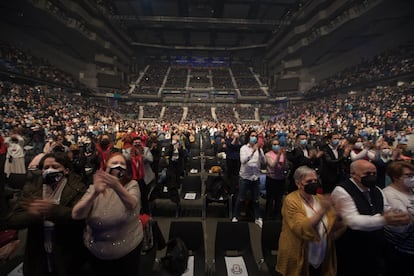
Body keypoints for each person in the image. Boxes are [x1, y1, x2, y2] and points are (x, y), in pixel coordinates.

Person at [3, 152, 88, 276]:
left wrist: (53, 210)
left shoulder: (77, 189)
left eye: (55, 167)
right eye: (46, 168)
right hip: (38, 252)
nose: (50, 170)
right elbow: (11, 219)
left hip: (67, 251)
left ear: (66, 170)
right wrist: (31, 215)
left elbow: (81, 219)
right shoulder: (31, 189)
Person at [331, 159, 411, 276]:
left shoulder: (377, 190)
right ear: (353, 174)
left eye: (374, 174)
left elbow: (386, 209)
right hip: (352, 247)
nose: (372, 177)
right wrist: (383, 220)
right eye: (367, 174)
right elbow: (352, 220)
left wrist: (398, 218)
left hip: (374, 246)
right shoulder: (341, 191)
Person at [72, 152, 143, 276]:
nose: (118, 166)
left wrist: (116, 186)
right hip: (97, 251)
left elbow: (132, 204)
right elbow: (77, 214)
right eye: (114, 163)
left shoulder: (131, 185)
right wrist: (95, 193)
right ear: (105, 168)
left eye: (122, 164)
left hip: (127, 249)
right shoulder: (94, 187)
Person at [276, 166, 345, 276]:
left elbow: (332, 229)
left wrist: (339, 216)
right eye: (309, 181)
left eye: (315, 180)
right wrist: (322, 210)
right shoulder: (291, 200)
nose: (314, 183)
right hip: (299, 254)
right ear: (298, 183)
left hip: (320, 254)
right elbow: (300, 228)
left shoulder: (320, 198)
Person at [382, 161, 414, 276]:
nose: (412, 178)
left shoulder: (411, 189)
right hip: (402, 249)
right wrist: (409, 216)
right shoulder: (389, 194)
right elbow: (402, 224)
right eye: (408, 175)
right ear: (396, 177)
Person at [232, 130, 266, 228]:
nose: (254, 138)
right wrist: (253, 152)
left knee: (256, 200)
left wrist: (259, 150)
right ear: (248, 137)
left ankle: (257, 217)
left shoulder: (259, 149)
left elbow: (263, 161)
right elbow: (243, 161)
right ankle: (235, 216)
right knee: (241, 198)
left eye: (255, 136)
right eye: (252, 136)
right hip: (245, 177)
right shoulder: (244, 148)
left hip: (255, 177)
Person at [264, 138, 289, 220]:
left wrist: (284, 156)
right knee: (270, 200)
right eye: (274, 144)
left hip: (280, 179)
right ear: (271, 146)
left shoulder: (282, 155)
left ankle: (277, 217)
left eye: (277, 144)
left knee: (279, 200)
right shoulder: (268, 154)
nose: (276, 146)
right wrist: (278, 156)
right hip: (271, 179)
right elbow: (272, 165)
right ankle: (267, 217)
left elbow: (285, 166)